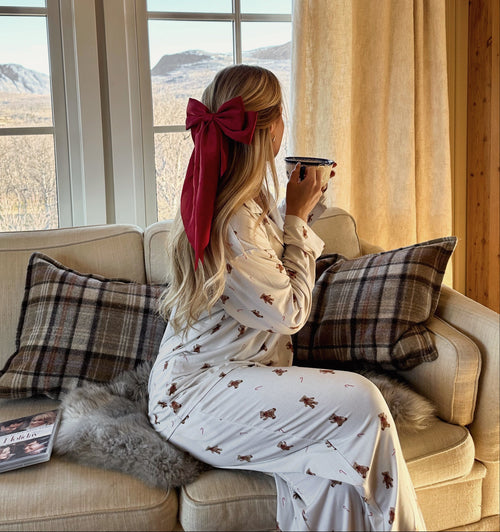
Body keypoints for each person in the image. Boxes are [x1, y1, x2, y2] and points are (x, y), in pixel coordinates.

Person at [148, 64, 425, 531]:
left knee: (337, 476)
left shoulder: (244, 203)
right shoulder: (232, 221)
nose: (285, 124)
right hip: (197, 397)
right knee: (363, 401)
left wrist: (300, 208)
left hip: (234, 379)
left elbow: (268, 260)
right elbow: (291, 311)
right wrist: (296, 218)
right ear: (268, 130)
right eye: (282, 114)